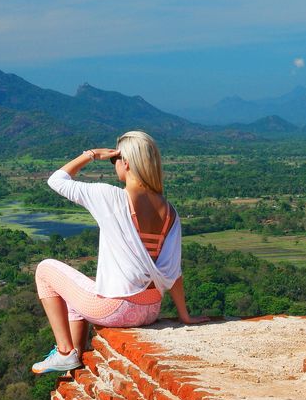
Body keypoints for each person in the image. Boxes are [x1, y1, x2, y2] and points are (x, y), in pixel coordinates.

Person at [30, 130, 203, 375]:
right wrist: (185, 316)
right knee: (78, 291)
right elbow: (173, 270)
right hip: (150, 309)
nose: (114, 165)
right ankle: (74, 365)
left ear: (127, 162)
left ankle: (65, 351)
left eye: (115, 160)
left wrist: (90, 155)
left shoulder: (110, 197)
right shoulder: (169, 211)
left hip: (118, 311)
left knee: (45, 269)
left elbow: (56, 180)